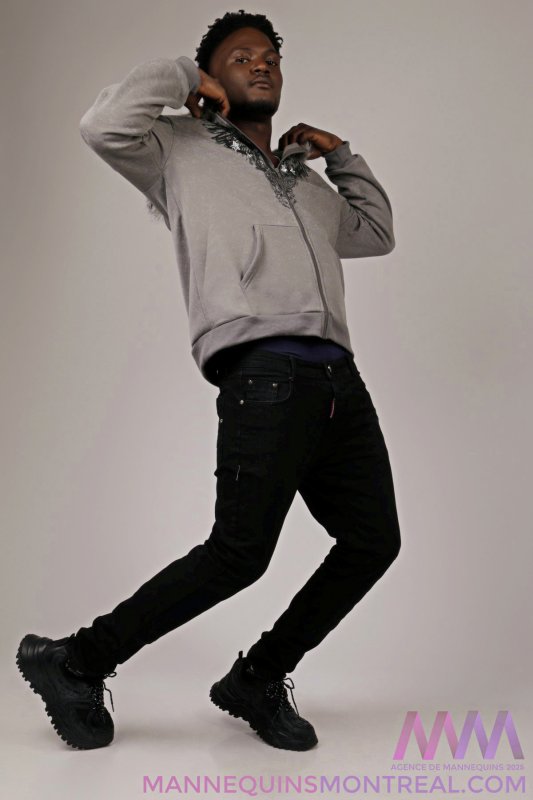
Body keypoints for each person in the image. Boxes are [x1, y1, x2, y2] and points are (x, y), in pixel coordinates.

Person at [17, 9, 401, 752]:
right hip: (265, 372)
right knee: (238, 554)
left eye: (270, 58)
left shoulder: (303, 183)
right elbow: (101, 125)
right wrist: (179, 77)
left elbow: (376, 234)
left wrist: (341, 155)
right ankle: (75, 660)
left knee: (372, 541)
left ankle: (258, 676)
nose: (260, 65)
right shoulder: (176, 148)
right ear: (211, 75)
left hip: (337, 382)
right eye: (240, 57)